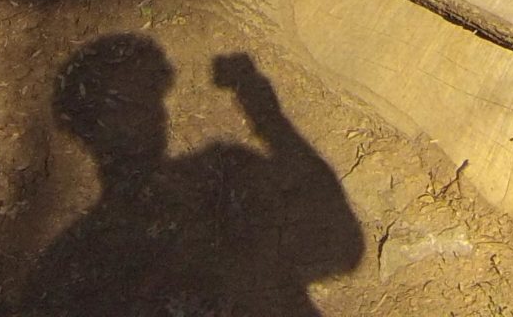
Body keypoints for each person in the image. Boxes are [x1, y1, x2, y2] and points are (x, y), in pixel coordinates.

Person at [20, 35, 363, 315]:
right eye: (134, 105)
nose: (157, 116)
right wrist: (269, 119)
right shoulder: (70, 262)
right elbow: (344, 249)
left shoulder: (64, 261)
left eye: (147, 102)